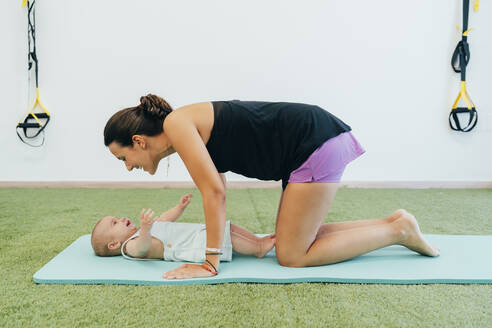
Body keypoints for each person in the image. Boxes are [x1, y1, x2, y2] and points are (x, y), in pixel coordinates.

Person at [103, 95, 439, 279]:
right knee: (291, 241)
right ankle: (394, 224)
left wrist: (209, 263)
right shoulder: (183, 129)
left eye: (124, 158)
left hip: (312, 142)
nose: (129, 166)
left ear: (138, 141)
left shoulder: (176, 124)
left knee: (292, 256)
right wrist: (214, 250)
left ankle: (398, 232)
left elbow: (214, 194)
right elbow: (217, 192)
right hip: (305, 145)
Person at [91, 193, 276, 276]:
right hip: (188, 246)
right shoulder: (129, 246)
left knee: (227, 228)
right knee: (228, 238)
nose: (121, 218)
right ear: (113, 244)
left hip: (191, 234)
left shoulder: (139, 231)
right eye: (114, 223)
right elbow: (142, 249)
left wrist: (179, 208)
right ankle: (258, 248)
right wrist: (145, 231)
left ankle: (256, 241)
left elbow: (164, 219)